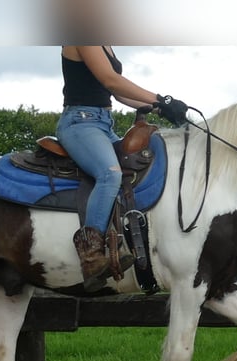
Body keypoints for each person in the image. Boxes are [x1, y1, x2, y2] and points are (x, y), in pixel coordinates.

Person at [56, 45, 189, 290]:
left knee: (134, 172)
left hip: (104, 124)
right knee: (110, 175)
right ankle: (91, 256)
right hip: (80, 123)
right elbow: (111, 80)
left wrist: (159, 108)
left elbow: (117, 94)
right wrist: (162, 99)